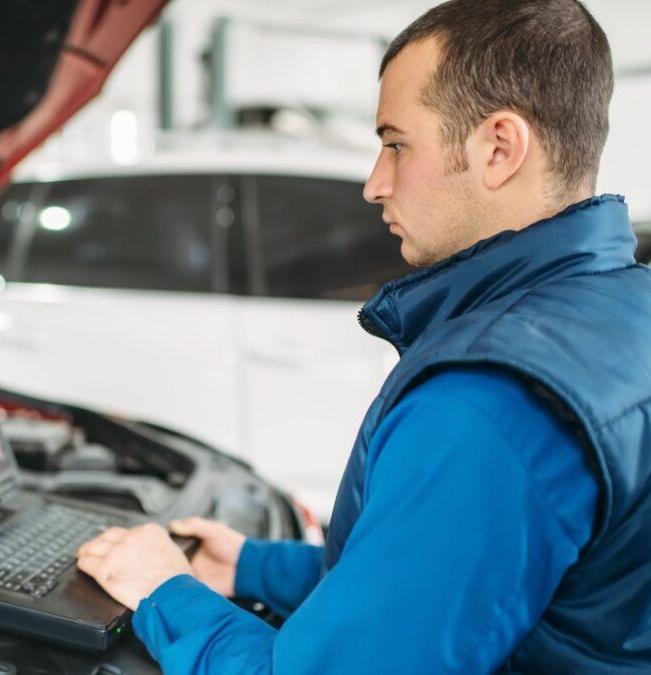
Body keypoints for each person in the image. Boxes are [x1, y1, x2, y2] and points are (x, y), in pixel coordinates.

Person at [76, 0, 651, 672]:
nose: (376, 184)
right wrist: (256, 566)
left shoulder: (491, 404)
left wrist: (161, 590)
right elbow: (465, 581)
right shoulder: (626, 310)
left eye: (396, 144)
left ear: (498, 148)